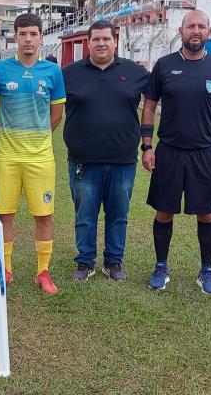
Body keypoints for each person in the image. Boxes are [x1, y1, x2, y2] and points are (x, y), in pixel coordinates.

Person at [141, 10, 211, 295]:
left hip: (204, 153)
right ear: (181, 31)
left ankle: (206, 270)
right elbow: (149, 105)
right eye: (190, 26)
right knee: (164, 212)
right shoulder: (164, 65)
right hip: (169, 152)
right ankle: (161, 266)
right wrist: (147, 145)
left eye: (201, 26)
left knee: (207, 216)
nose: (195, 31)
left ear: (208, 31)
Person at [63, 21, 149, 282]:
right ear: (88, 42)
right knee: (85, 216)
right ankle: (85, 262)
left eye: (106, 39)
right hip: (83, 161)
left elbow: (155, 102)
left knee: (118, 215)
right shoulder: (68, 74)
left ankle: (114, 263)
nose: (101, 43)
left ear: (115, 42)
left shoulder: (136, 73)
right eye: (96, 39)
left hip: (123, 160)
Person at [0, 13, 66, 295]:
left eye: (33, 34)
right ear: (15, 37)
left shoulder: (52, 72)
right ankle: (5, 270)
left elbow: (56, 116)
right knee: (4, 215)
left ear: (41, 37)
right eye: (23, 34)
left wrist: (36, 137)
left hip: (40, 158)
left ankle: (42, 272)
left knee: (43, 216)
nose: (28, 39)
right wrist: (9, 134)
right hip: (7, 157)